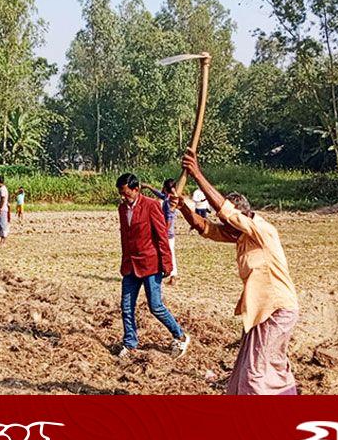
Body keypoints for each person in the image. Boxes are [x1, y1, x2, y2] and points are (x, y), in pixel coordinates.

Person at [175, 151, 300, 395]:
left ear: (242, 219)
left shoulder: (262, 231)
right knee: (259, 368)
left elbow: (225, 211)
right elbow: (207, 229)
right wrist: (183, 207)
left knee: (255, 374)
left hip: (276, 311)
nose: (227, 231)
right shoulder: (241, 236)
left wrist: (197, 173)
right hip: (260, 313)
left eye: (231, 225)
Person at [115, 172, 190, 359]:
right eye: (121, 194)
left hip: (150, 264)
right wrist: (124, 261)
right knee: (126, 307)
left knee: (155, 306)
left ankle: (179, 335)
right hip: (130, 265)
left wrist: (167, 263)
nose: (123, 197)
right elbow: (126, 237)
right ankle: (130, 343)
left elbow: (162, 236)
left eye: (126, 193)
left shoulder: (151, 206)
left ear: (136, 189)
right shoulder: (122, 209)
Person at [143, 178, 178, 285]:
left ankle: (173, 275)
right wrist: (149, 187)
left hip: (167, 232)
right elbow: (160, 195)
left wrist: (164, 233)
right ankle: (169, 274)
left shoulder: (169, 202)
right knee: (168, 252)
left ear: (165, 188)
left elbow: (169, 219)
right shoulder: (168, 198)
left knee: (169, 253)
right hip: (167, 232)